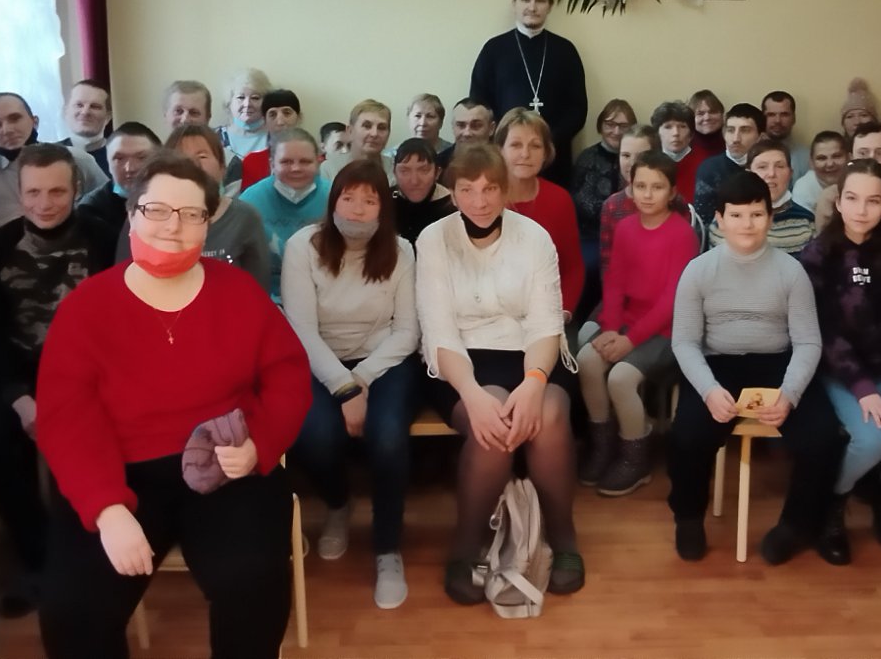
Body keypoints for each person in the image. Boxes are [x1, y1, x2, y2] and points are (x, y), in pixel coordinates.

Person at [35, 152, 311, 656]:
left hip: (225, 465)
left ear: (208, 223)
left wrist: (259, 444)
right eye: (157, 210)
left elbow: (288, 375)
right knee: (74, 609)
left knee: (252, 582)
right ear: (132, 214)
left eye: (190, 214)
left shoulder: (238, 292)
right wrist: (107, 510)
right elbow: (66, 419)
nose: (173, 226)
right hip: (119, 475)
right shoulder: (86, 308)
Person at [414, 144, 585, 602]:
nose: (480, 200)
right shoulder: (433, 239)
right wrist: (471, 394)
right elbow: (438, 331)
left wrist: (534, 383)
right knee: (492, 419)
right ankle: (466, 546)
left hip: (531, 351)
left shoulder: (535, 237)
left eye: (490, 189)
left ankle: (564, 538)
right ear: (452, 193)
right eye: (467, 190)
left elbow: (546, 324)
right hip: (460, 360)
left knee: (549, 414)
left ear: (506, 191)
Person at [667, 171, 845, 566]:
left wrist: (790, 393)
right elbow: (684, 342)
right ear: (719, 218)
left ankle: (797, 525)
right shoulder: (698, 271)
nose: (747, 224)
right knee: (688, 436)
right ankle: (688, 518)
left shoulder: (791, 271)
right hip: (717, 364)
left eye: (756, 214)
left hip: (777, 362)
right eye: (736, 215)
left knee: (823, 438)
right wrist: (709, 390)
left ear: (770, 217)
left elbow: (808, 342)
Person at [0, 143, 115, 614]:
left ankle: (92, 550)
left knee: (99, 439)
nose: (44, 203)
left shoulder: (106, 240)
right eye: (33, 192)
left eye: (56, 191)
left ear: (76, 189)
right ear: (19, 191)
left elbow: (120, 328)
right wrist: (19, 398)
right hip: (19, 378)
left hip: (90, 378)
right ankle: (40, 557)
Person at [283, 160, 420, 609]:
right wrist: (343, 387)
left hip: (383, 361)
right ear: (333, 200)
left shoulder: (401, 251)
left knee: (388, 436)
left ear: (384, 207)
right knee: (314, 434)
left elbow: (407, 332)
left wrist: (359, 381)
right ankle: (339, 505)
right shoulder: (303, 246)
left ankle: (387, 548)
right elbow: (301, 330)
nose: (357, 209)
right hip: (319, 357)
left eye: (369, 199)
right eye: (348, 197)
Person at [800, 159, 881, 564]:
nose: (861, 209)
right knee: (872, 440)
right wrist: (864, 391)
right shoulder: (818, 254)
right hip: (840, 372)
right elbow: (824, 331)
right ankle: (833, 502)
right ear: (838, 202)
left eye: (873, 201)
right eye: (852, 198)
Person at [577, 151, 697, 497]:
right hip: (627, 321)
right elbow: (614, 283)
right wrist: (611, 329)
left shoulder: (681, 234)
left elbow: (671, 301)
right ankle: (603, 445)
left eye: (657, 187)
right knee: (587, 360)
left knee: (621, 377)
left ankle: (635, 457)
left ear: (672, 192)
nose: (647, 194)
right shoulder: (626, 228)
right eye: (640, 185)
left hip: (665, 329)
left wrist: (629, 341)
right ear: (631, 186)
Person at [0, 92, 107, 254]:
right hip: (7, 260)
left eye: (14, 118)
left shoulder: (77, 159)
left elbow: (110, 205)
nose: (7, 129)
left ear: (34, 121)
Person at [113, 126, 274, 293]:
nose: (192, 163)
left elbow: (257, 290)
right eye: (180, 155)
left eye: (202, 156)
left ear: (222, 168)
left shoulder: (245, 217)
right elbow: (123, 279)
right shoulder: (145, 214)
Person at [470, 0, 588, 186]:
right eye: (525, 0)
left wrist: (546, 141)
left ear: (550, 6)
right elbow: (479, 104)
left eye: (540, 1)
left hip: (554, 156)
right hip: (505, 155)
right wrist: (506, 140)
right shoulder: (494, 49)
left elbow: (577, 108)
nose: (532, 7)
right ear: (514, 4)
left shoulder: (565, 50)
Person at [496, 109, 585, 319]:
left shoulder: (560, 199)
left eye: (535, 146)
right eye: (516, 145)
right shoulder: (485, 196)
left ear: (546, 153)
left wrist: (563, 311)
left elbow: (573, 267)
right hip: (492, 314)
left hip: (546, 311)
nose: (525, 154)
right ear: (500, 150)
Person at [239, 128, 332, 303]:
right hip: (264, 299)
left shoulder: (335, 197)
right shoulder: (249, 202)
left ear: (318, 162)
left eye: (305, 161)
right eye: (286, 162)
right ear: (272, 164)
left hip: (324, 298)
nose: (296, 168)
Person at [571, 99, 637, 322]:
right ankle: (587, 320)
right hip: (592, 234)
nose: (616, 131)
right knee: (592, 265)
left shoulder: (639, 157)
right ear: (600, 126)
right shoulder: (588, 158)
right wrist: (613, 213)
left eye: (623, 126)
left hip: (632, 232)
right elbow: (581, 201)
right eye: (610, 124)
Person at [598, 126, 696, 273]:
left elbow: (684, 264)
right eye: (626, 155)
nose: (632, 163)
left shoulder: (675, 202)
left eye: (641, 157)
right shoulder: (611, 206)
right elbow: (608, 264)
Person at [812, 123, 881, 239]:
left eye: (880, 153)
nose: (872, 159)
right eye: (863, 153)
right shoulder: (829, 198)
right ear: (851, 157)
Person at [708, 139, 814, 257]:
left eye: (779, 166)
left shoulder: (807, 221)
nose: (771, 173)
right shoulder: (725, 221)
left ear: (790, 173)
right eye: (762, 167)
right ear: (749, 173)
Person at [77, 121, 162, 237]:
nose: (130, 168)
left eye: (141, 158)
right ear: (108, 163)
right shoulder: (91, 210)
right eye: (119, 159)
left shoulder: (176, 198)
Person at [692, 102, 764, 225]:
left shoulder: (769, 168)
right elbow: (704, 223)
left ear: (760, 137)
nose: (736, 139)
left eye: (745, 130)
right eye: (730, 130)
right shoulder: (710, 169)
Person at [392, 138, 454, 244]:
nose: (414, 181)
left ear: (437, 173)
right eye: (404, 171)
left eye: (424, 170)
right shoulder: (383, 202)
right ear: (394, 173)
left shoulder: (452, 206)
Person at [324, 99, 394, 183]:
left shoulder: (396, 170)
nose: (374, 134)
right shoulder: (330, 169)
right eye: (367, 126)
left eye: (382, 128)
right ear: (350, 131)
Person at [56, 79, 113, 177]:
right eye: (79, 105)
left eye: (95, 106)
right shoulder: (48, 155)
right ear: (66, 112)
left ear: (108, 117)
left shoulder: (120, 157)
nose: (85, 112)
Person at [789, 130, 847, 222]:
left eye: (836, 156)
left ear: (849, 157)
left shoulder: (860, 180)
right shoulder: (803, 189)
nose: (830, 164)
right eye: (822, 158)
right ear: (811, 163)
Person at [215, 67, 273, 158]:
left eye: (255, 98)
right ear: (229, 102)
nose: (247, 104)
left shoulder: (277, 138)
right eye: (241, 98)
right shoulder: (213, 137)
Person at [651, 100, 699, 203]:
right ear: (658, 133)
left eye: (682, 126)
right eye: (668, 127)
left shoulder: (704, 164)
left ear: (691, 134)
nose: (676, 133)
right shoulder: (649, 165)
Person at [760, 90, 811, 182]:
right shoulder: (748, 154)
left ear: (794, 118)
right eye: (771, 115)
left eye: (784, 114)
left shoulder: (807, 157)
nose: (777, 121)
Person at [438, 97, 494, 168]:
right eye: (461, 125)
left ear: (491, 129)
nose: (467, 133)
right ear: (453, 127)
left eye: (476, 126)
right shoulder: (437, 165)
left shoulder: (503, 163)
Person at [686, 90, 726, 173]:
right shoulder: (683, 148)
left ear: (722, 115)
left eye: (713, 112)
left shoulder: (733, 144)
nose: (707, 117)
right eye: (700, 113)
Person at [401, 93, 451, 157]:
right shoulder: (392, 156)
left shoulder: (454, 154)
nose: (423, 123)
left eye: (430, 116)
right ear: (408, 119)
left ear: (441, 122)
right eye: (418, 116)